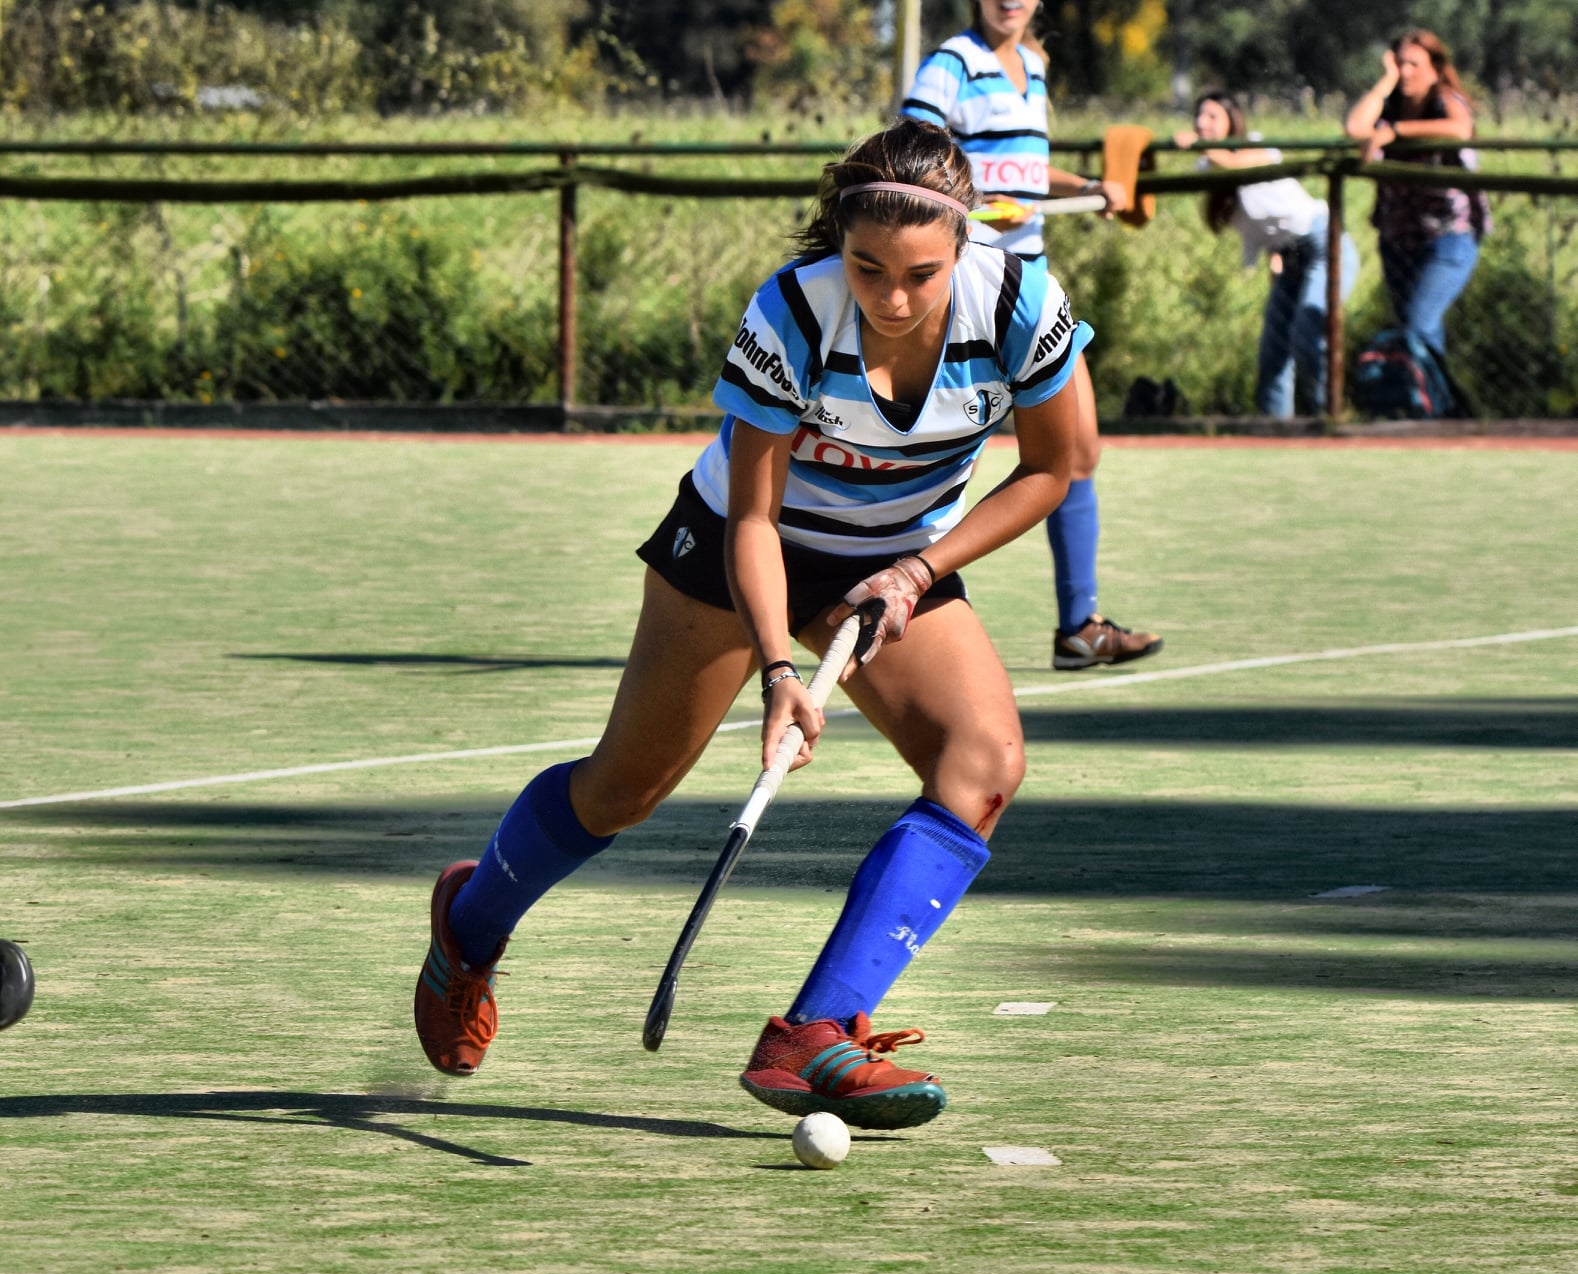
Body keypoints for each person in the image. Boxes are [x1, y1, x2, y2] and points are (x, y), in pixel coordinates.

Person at [412, 119, 1091, 1132]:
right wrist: (780, 669)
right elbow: (756, 514)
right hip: (744, 541)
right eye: (869, 268)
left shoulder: (1018, 302)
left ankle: (817, 1031)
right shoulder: (794, 313)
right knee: (624, 790)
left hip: (899, 550)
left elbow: (1056, 466)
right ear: (840, 243)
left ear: (967, 246)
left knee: (982, 761)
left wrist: (917, 569)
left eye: (921, 273)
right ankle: (470, 927)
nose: (893, 300)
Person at [899, 0, 1162, 673]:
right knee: (909, 451)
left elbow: (1024, 171)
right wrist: (974, 200)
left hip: (1032, 282)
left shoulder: (1034, 69)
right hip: (971, 280)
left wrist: (1091, 187)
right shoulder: (953, 63)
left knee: (1078, 453)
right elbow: (910, 160)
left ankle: (1079, 626)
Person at [1175, 92, 1360, 418]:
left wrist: (1198, 145)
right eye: (1199, 116)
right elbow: (1257, 222)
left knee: (1308, 330)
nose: (1202, 123)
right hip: (1287, 258)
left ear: (1233, 122)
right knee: (1274, 350)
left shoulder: (1256, 147)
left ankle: (1328, 420)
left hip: (1322, 246)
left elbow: (1236, 166)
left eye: (1212, 116)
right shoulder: (1208, 166)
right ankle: (1276, 430)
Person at [1344, 30, 1489, 362]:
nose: (1405, 72)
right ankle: (1435, 406)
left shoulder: (1445, 101)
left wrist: (1394, 133)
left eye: (1414, 64)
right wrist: (1385, 82)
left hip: (1449, 236)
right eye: (1399, 63)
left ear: (1435, 69)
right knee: (1421, 330)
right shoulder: (1390, 106)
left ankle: (1430, 404)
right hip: (1398, 238)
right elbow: (1355, 128)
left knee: (1418, 322)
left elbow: (1459, 128)